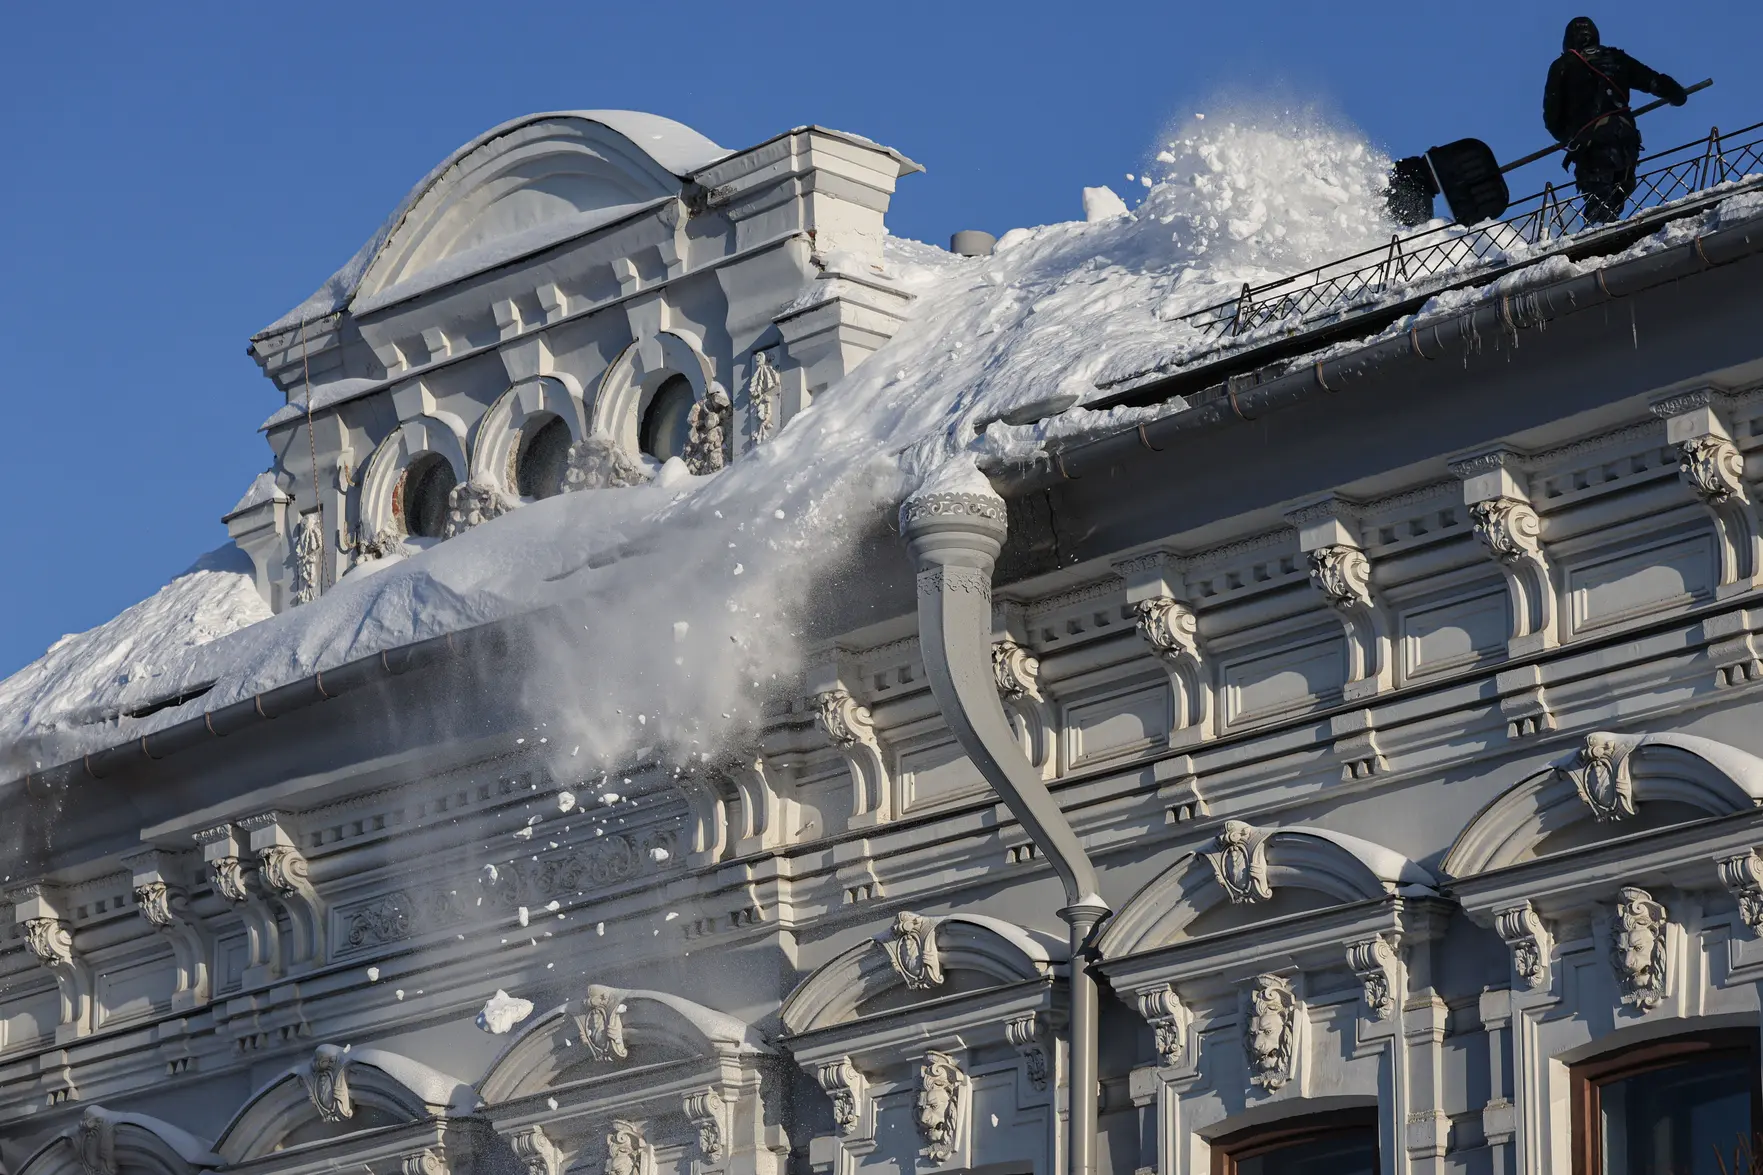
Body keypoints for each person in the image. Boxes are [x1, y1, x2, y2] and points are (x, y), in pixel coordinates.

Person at [1543, 17, 1688, 224]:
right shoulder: (1616, 58)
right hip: (1625, 138)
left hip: (1591, 143)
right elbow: (1651, 79)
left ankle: (1600, 241)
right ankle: (1612, 229)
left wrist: (1569, 139)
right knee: (1618, 194)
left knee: (1598, 201)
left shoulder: (1562, 66)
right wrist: (1675, 93)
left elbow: (1551, 115)